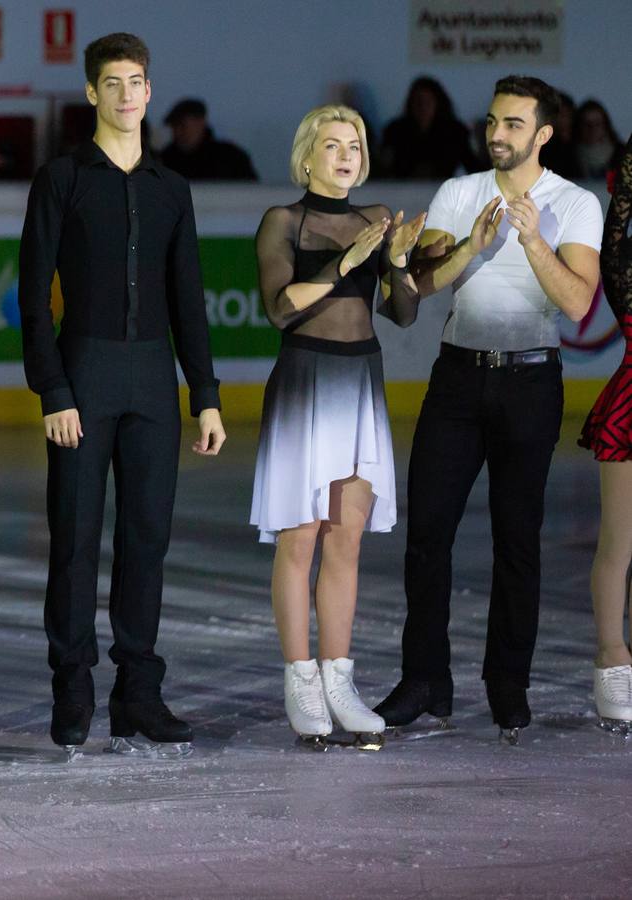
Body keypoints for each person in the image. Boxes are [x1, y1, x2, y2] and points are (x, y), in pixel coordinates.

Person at [376, 76, 603, 742]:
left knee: (517, 542)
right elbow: (416, 288)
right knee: (428, 536)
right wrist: (470, 247)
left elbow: (578, 304)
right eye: (493, 121)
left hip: (532, 384)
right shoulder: (458, 192)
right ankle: (425, 681)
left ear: (543, 135)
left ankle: (508, 686)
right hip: (457, 380)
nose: (497, 133)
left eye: (512, 123)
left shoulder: (574, 204)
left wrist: (533, 240)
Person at [18, 33, 226, 758]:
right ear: (92, 93)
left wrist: (205, 393)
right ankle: (72, 684)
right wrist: (52, 389)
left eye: (137, 80)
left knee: (148, 541)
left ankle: (138, 690)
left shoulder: (172, 188)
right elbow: (33, 296)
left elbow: (188, 299)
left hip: (152, 380)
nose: (127, 93)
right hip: (84, 376)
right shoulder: (62, 179)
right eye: (113, 82)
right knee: (74, 540)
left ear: (149, 88)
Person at [250, 106, 425, 747]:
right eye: (332, 144)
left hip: (360, 384)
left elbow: (403, 314)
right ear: (307, 157)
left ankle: (338, 679)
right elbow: (278, 309)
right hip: (305, 382)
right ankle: (300, 678)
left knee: (345, 542)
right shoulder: (284, 221)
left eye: (354, 144)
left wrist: (397, 262)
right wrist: (347, 262)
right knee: (301, 540)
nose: (346, 154)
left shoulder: (374, 221)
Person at [582, 137, 632, 733]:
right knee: (619, 544)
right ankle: (611, 657)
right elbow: (613, 235)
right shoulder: (622, 254)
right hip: (629, 404)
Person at [377, 77, 480, 180]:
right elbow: (383, 169)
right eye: (418, 101)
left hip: (443, 189)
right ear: (410, 103)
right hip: (402, 191)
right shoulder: (395, 131)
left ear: (438, 104)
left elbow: (472, 166)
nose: (423, 107)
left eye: (428, 102)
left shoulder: (455, 132)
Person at [159, 98, 256, 181]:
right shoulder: (163, 160)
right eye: (174, 126)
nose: (178, 131)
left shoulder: (232, 158)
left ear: (201, 123)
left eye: (183, 125)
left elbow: (251, 192)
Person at [575, 100, 621, 180]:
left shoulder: (622, 155)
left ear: (605, 125)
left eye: (597, 123)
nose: (592, 129)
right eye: (587, 124)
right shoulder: (568, 157)